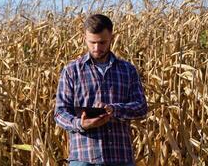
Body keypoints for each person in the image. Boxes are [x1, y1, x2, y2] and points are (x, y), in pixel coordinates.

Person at [54, 14, 148, 166]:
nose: (97, 48)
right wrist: (81, 124)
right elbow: (60, 113)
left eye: (102, 42)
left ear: (112, 37)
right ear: (84, 37)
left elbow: (141, 107)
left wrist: (114, 109)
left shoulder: (127, 70)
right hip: (84, 158)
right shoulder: (72, 71)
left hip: (120, 157)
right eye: (92, 42)